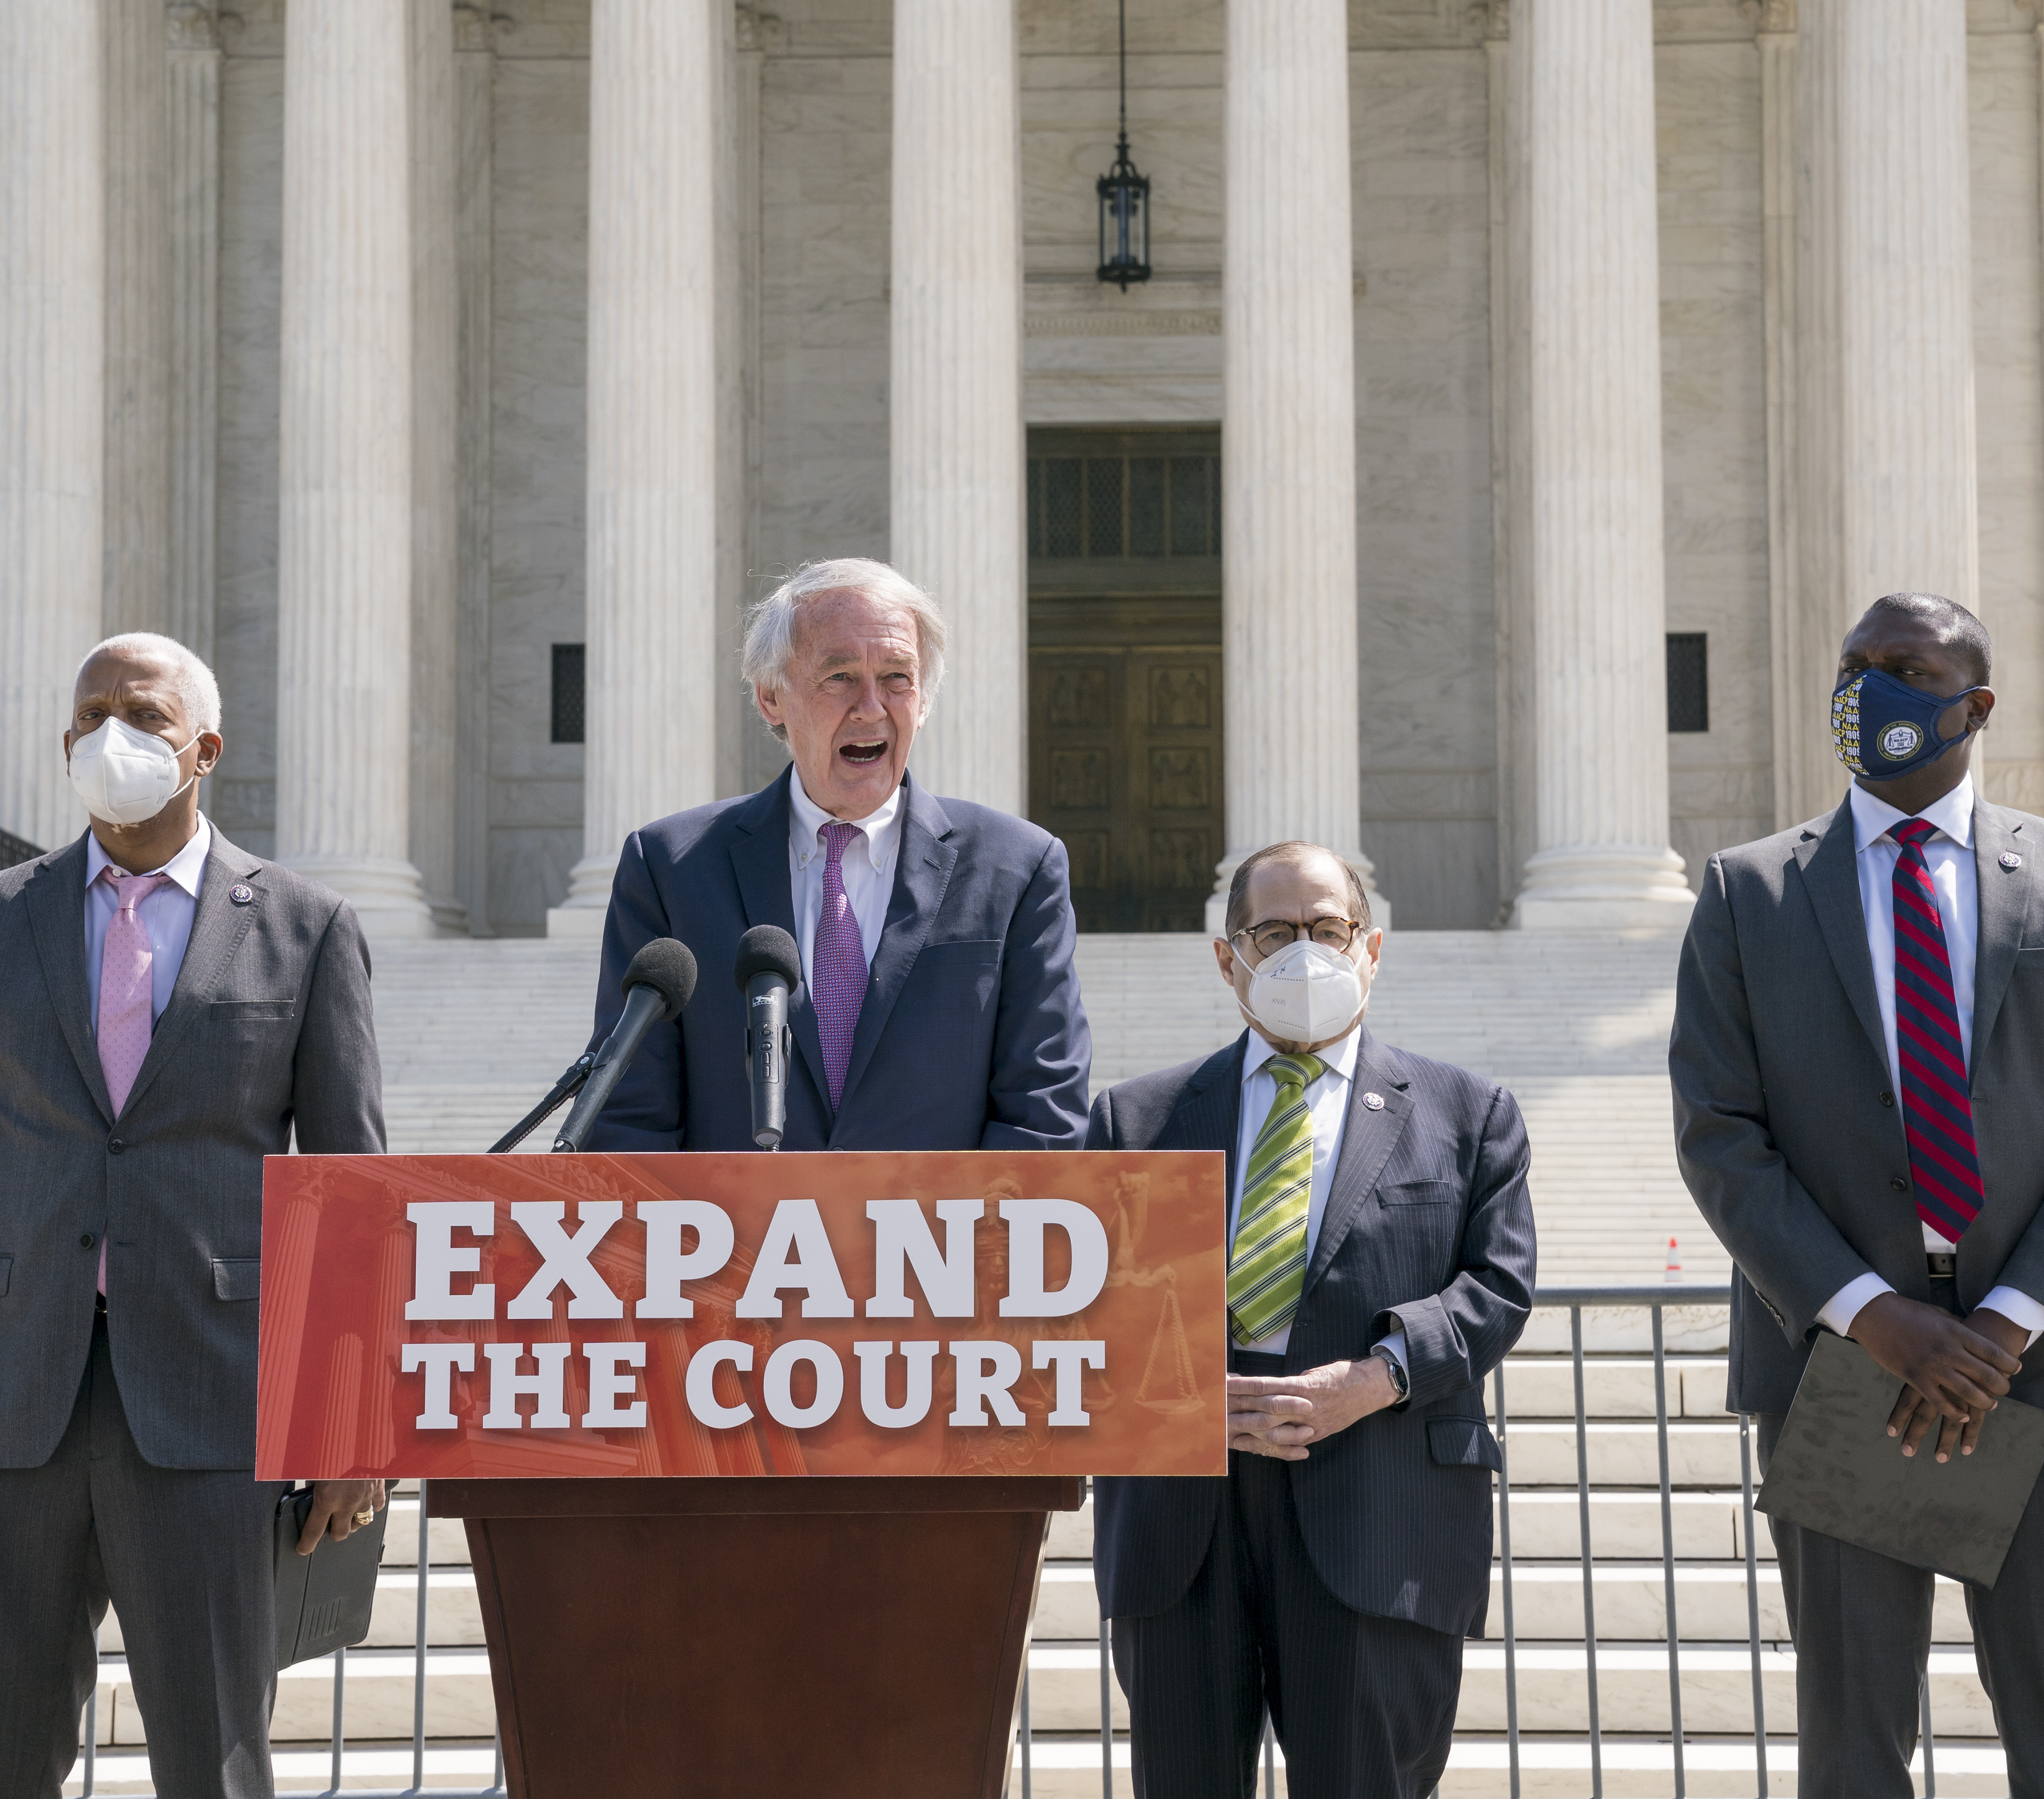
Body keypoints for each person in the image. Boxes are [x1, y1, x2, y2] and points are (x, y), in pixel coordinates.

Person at [1671, 591, 2044, 1798]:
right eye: (1850, 666)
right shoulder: (1747, 893)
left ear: (1974, 702)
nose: (1866, 690)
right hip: (1842, 1370)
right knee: (1849, 1753)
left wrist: (2000, 1325)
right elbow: (1718, 1134)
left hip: (2041, 1367)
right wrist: (1869, 1315)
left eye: (1900, 666)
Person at [0, 632, 390, 1799]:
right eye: (92, 712)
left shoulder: (307, 930)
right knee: (0, 1760)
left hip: (213, 1400)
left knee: (214, 1757)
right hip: (12, 1407)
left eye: (143, 714)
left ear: (205, 748)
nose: (113, 734)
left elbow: (350, 1184)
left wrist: (359, 1419)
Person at [1086, 840, 1536, 1798]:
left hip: (1378, 1511)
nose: (1306, 954)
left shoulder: (1466, 1114)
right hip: (1184, 1528)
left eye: (1328, 931)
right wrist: (1184, 1396)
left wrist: (1372, 1378)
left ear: (1372, 947)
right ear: (1227, 957)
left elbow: (1496, 1288)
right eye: (1276, 933)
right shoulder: (1137, 1118)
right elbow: (1092, 1309)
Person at [581, 557, 1090, 1151]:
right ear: (771, 697)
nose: (871, 707)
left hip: (941, 1243)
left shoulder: (1018, 870)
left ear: (923, 699)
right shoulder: (670, 868)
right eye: (840, 676)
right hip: (733, 1244)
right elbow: (627, 1120)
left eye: (898, 678)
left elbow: (1042, 1120)